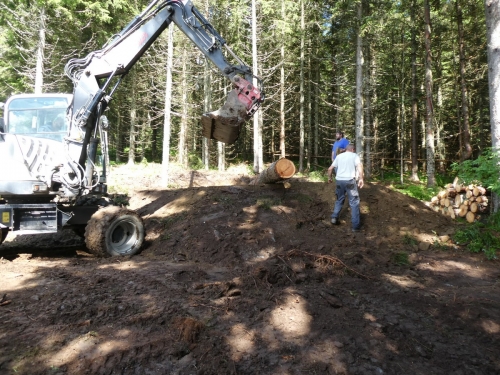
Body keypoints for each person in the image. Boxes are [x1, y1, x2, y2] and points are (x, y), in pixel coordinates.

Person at [327, 144, 364, 232]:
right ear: (352, 149)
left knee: (339, 199)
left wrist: (329, 178)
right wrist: (361, 178)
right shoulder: (354, 156)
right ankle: (355, 227)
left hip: (339, 181)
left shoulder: (339, 156)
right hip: (350, 181)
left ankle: (334, 218)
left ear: (346, 149)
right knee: (354, 203)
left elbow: (330, 168)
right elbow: (359, 166)